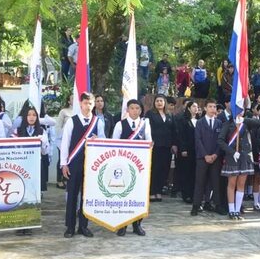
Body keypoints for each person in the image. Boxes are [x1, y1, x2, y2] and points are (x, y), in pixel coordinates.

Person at [59, 92, 106, 238]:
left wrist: (98, 139)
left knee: (87, 196)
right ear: (80, 104)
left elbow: (104, 141)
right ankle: (70, 227)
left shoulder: (98, 122)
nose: (88, 106)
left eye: (91, 104)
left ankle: (84, 226)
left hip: (91, 165)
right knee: (72, 195)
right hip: (74, 163)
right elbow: (65, 143)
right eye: (86, 103)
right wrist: (64, 164)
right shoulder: (72, 121)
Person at [112, 99, 151, 236]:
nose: (135, 110)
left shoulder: (145, 124)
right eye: (132, 108)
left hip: (140, 166)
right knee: (123, 195)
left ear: (141, 110)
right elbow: (114, 145)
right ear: (127, 110)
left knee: (138, 196)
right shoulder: (119, 125)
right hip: (123, 166)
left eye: (137, 108)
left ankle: (137, 224)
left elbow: (149, 142)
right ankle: (122, 225)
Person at [12, 100, 50, 235]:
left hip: (35, 168)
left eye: (34, 115)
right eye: (29, 115)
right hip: (21, 168)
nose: (32, 117)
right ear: (25, 116)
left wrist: (44, 143)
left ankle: (28, 223)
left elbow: (46, 152)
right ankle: (19, 223)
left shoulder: (41, 131)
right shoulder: (17, 131)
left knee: (32, 196)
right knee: (19, 195)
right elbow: (11, 148)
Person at [218, 111, 260, 220]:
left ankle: (237, 210)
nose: (240, 112)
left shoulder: (246, 123)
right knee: (232, 184)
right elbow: (220, 140)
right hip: (233, 157)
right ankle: (231, 210)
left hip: (244, 157)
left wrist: (244, 119)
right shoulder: (228, 124)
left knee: (241, 184)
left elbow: (258, 123)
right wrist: (232, 152)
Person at [192, 99, 225, 216]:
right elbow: (198, 140)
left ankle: (217, 204)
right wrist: (205, 155)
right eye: (210, 107)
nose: (213, 109)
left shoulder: (219, 123)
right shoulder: (200, 123)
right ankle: (196, 205)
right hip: (202, 157)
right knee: (200, 181)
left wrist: (215, 154)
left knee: (215, 182)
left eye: (214, 107)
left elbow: (220, 141)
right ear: (205, 108)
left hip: (215, 157)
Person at [145, 94, 177, 202]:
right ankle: (152, 192)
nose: (159, 103)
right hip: (155, 145)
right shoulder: (150, 114)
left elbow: (173, 131)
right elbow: (147, 129)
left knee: (164, 169)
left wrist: (174, 144)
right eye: (157, 101)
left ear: (165, 103)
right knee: (155, 168)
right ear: (154, 103)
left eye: (161, 101)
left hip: (167, 146)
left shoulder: (169, 115)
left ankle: (158, 191)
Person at [176, 101, 198, 203]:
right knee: (186, 172)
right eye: (193, 106)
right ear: (188, 108)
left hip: (197, 151)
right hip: (186, 150)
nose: (196, 108)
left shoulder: (199, 120)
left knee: (194, 173)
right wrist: (183, 149)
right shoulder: (183, 120)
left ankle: (194, 194)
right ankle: (186, 194)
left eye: (197, 107)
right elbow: (181, 136)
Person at [55, 94, 73, 189]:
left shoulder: (80, 111)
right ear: (69, 101)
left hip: (73, 140)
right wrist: (60, 137)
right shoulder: (64, 111)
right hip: (62, 139)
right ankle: (59, 180)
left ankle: (67, 179)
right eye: (72, 98)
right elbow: (58, 126)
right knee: (61, 159)